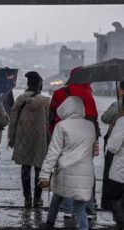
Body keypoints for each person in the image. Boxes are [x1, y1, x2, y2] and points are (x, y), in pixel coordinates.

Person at [49, 67, 100, 218]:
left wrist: (54, 135)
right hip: (84, 140)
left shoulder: (59, 93)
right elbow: (93, 119)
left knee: (64, 172)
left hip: (63, 138)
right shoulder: (87, 94)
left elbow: (51, 117)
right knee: (86, 173)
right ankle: (88, 208)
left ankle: (67, 208)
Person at [40, 96, 96, 230]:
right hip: (85, 173)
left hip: (65, 172)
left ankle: (49, 223)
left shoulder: (61, 126)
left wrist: (44, 174)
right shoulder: (90, 126)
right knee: (80, 206)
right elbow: (92, 151)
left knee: (57, 197)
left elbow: (53, 152)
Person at [8, 71, 50, 208]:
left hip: (23, 138)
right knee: (39, 169)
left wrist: (11, 138)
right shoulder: (45, 101)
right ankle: (37, 199)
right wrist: (50, 141)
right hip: (40, 140)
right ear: (39, 85)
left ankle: (27, 198)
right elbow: (49, 123)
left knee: (25, 168)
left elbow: (13, 120)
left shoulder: (21, 99)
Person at [101, 81, 124, 210]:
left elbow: (104, 118)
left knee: (110, 173)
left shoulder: (117, 105)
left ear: (121, 90)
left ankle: (108, 204)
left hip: (115, 145)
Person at [106, 102, 124, 228]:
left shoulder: (122, 121)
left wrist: (114, 128)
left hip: (121, 171)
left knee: (112, 198)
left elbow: (112, 147)